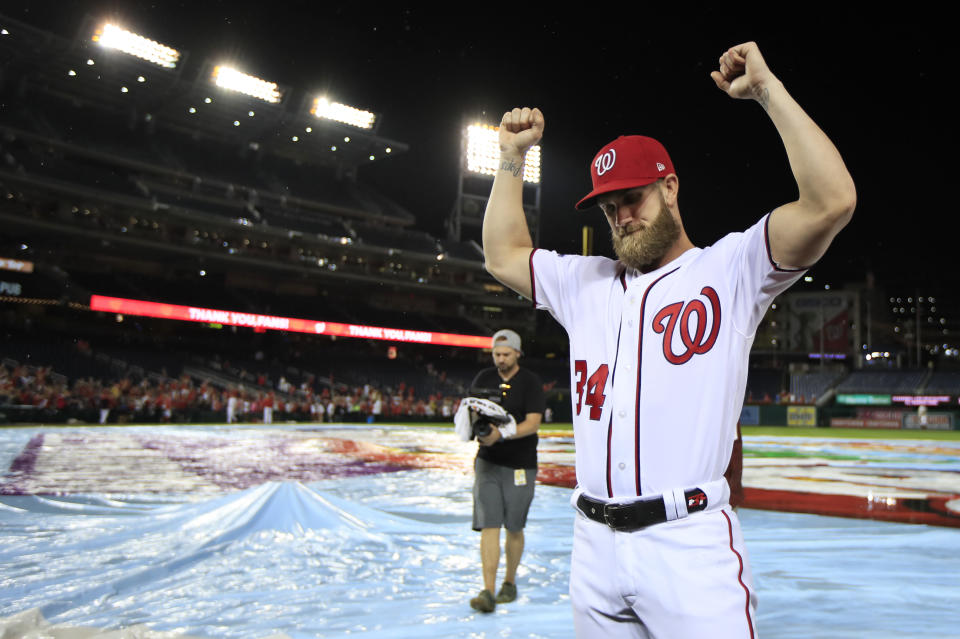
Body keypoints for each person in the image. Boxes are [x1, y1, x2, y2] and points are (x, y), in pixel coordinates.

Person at [481, 42, 855, 637]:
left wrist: (767, 92)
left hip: (687, 544)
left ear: (671, 188)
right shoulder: (587, 283)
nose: (622, 216)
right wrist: (509, 158)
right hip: (593, 545)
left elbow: (832, 202)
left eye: (633, 198)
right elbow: (503, 253)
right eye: (609, 208)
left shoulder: (731, 270)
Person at [466, 329, 546, 613]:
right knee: (489, 524)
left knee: (514, 526)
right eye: (496, 354)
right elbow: (473, 412)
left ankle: (509, 582)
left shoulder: (530, 382)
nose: (500, 359)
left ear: (517, 354)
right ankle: (487, 590)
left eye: (505, 354)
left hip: (520, 464)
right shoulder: (484, 379)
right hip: (487, 461)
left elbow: (534, 423)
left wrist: (503, 434)